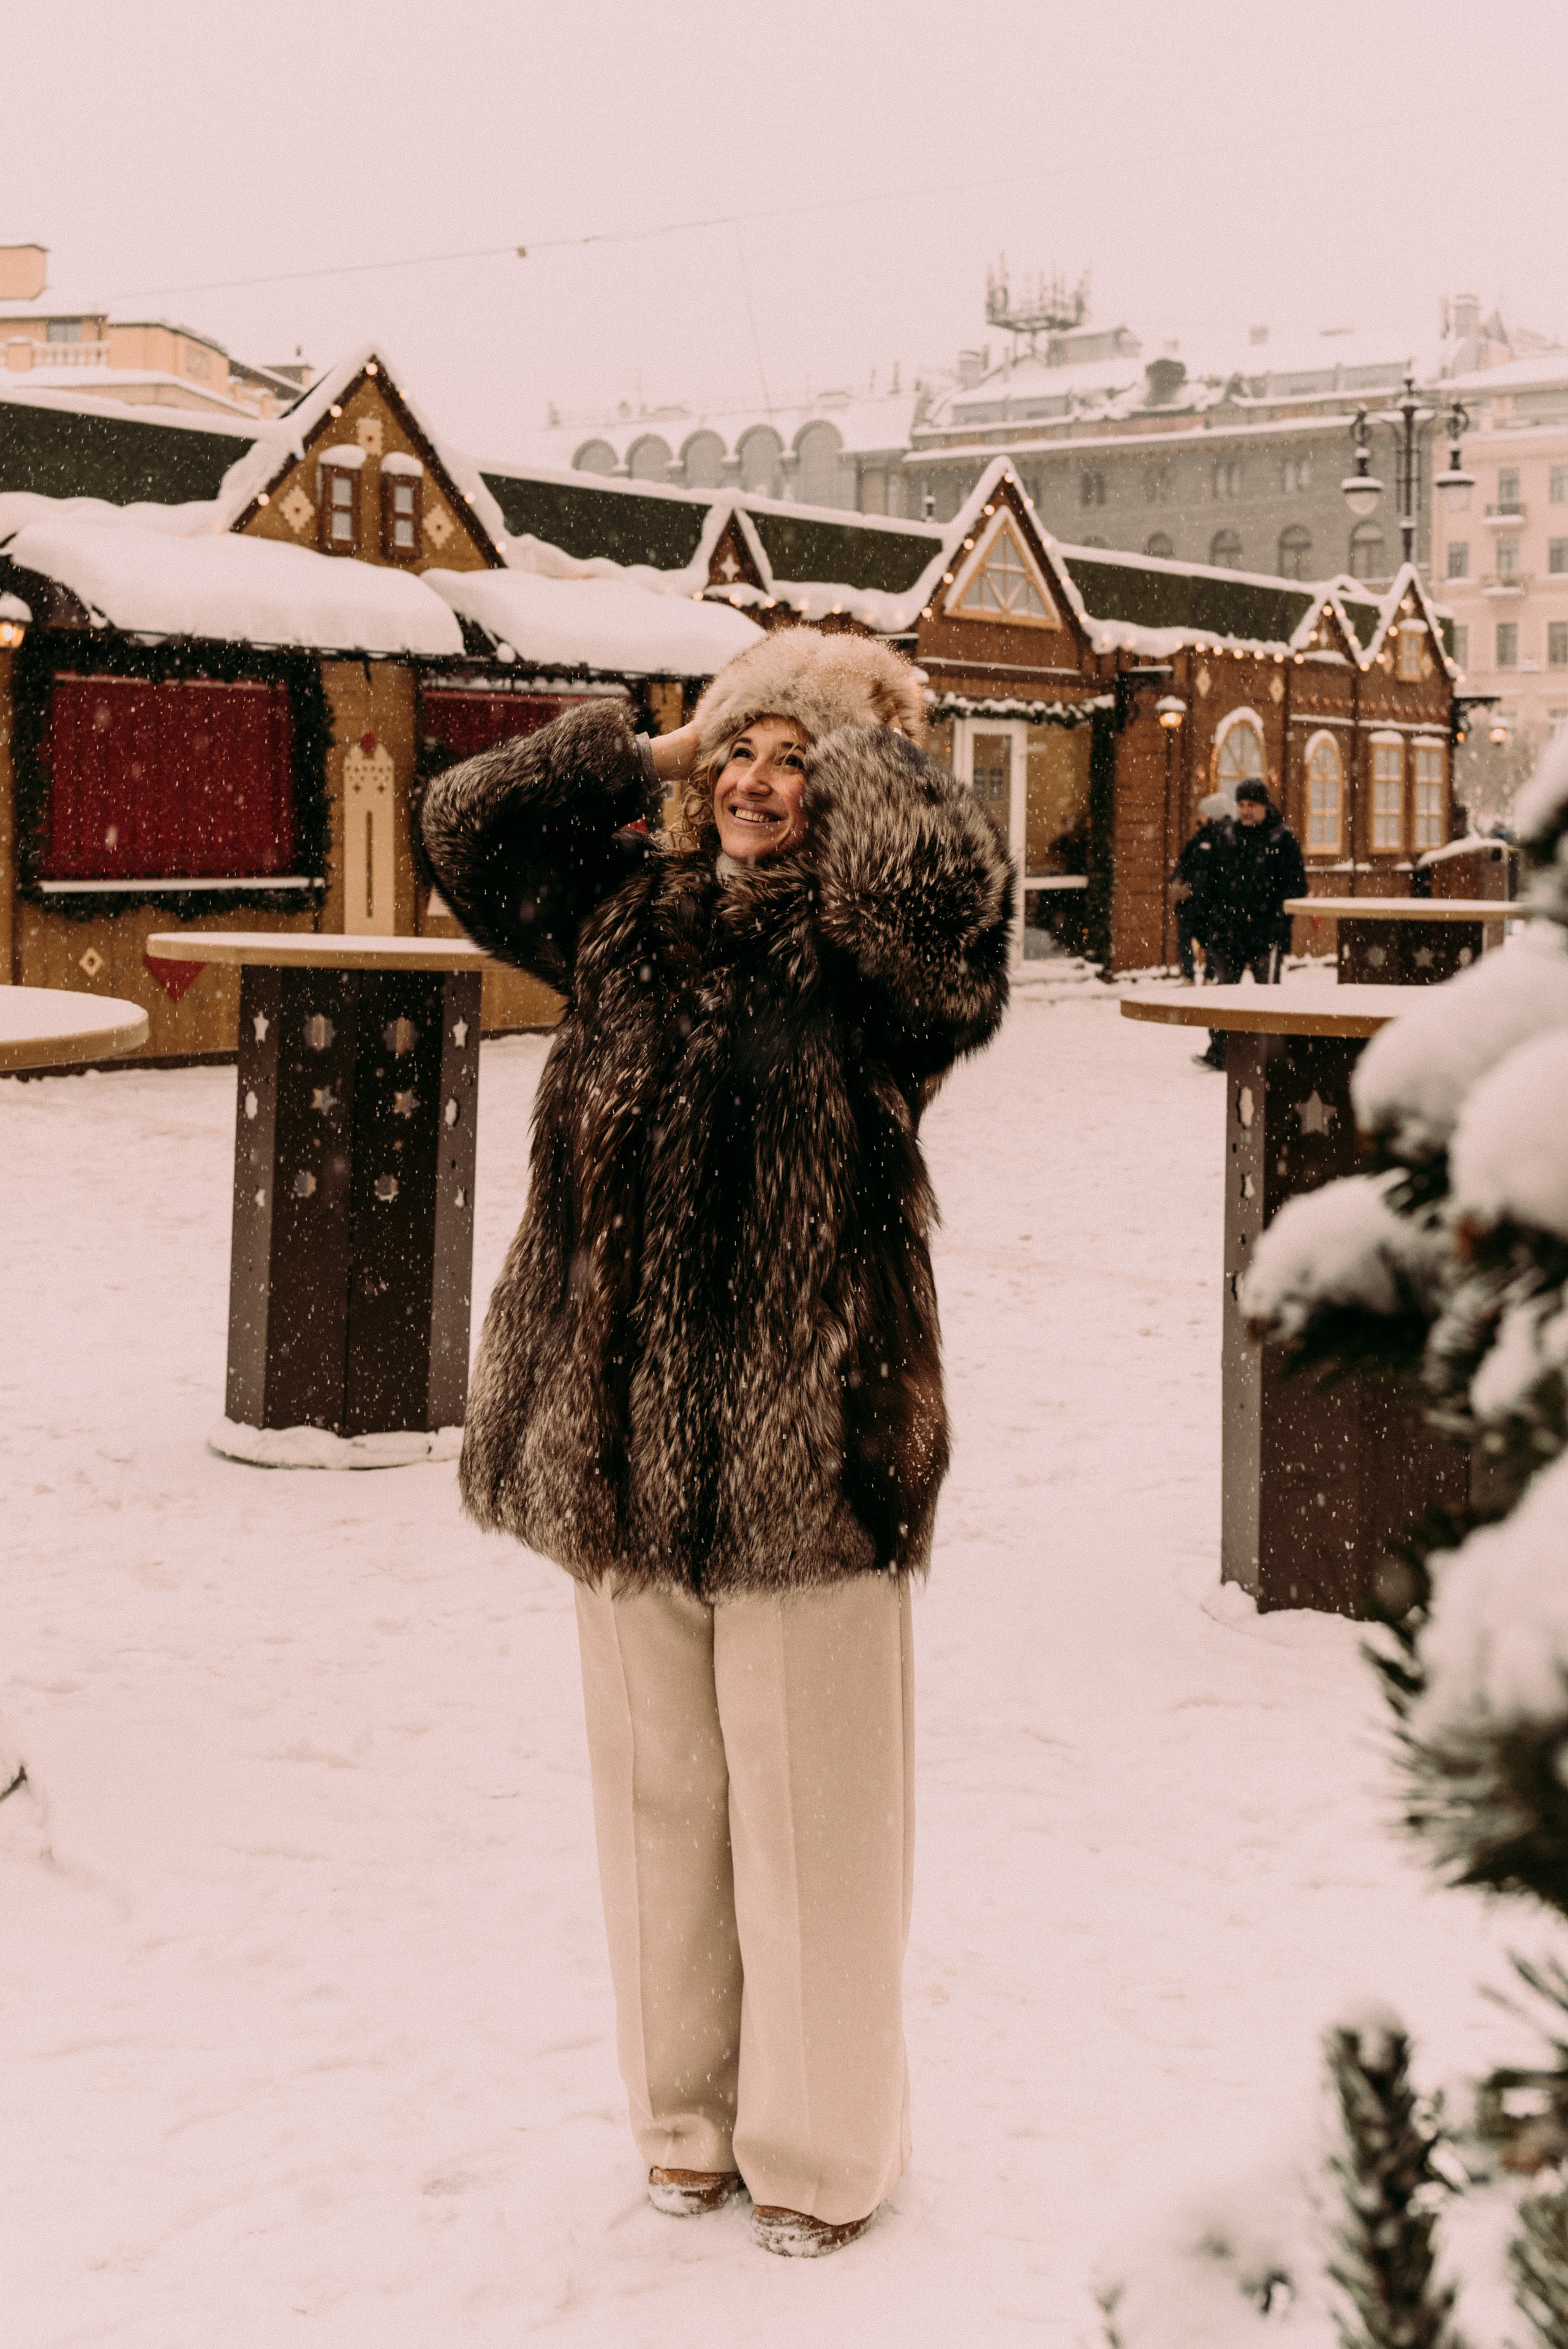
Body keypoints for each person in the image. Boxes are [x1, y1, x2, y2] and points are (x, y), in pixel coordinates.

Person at [421, 628, 1013, 2257]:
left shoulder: (880, 958)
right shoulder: (627, 914)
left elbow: (952, 894)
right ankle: (682, 2121)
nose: (757, 782)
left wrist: (851, 741)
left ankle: (821, 2150)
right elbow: (465, 822)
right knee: (658, 1799)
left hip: (809, 1437)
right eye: (741, 750)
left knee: (817, 1814)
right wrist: (660, 752)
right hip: (608, 1433)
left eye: (793, 763)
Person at [1194, 777, 1306, 1068]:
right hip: (1229, 930)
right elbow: (1210, 880)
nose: (1245, 811)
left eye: (1252, 805)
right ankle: (1221, 1050)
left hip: (1265, 933)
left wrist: (1279, 923)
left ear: (1265, 806)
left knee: (1267, 998)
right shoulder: (1227, 837)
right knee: (1225, 995)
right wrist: (1210, 919)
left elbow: (1295, 886)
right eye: (1241, 805)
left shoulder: (1281, 839)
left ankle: (1271, 1055)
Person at [1167, 791, 1234, 981]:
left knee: (1212, 940)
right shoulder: (1199, 838)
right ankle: (1189, 975)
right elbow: (1185, 863)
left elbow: (1215, 872)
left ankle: (1208, 976)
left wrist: (1194, 887)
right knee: (1185, 937)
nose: (1199, 816)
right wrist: (1177, 880)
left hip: (1210, 902)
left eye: (1203, 813)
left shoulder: (1222, 839)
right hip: (1192, 901)